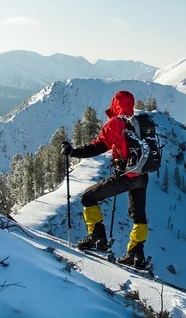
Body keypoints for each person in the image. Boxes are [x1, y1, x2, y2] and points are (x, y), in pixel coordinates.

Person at [61, 90, 149, 268]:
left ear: (115, 105)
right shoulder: (140, 122)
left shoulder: (115, 124)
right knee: (139, 216)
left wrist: (73, 152)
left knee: (88, 198)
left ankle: (97, 238)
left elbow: (97, 147)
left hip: (125, 176)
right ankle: (136, 254)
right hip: (142, 176)